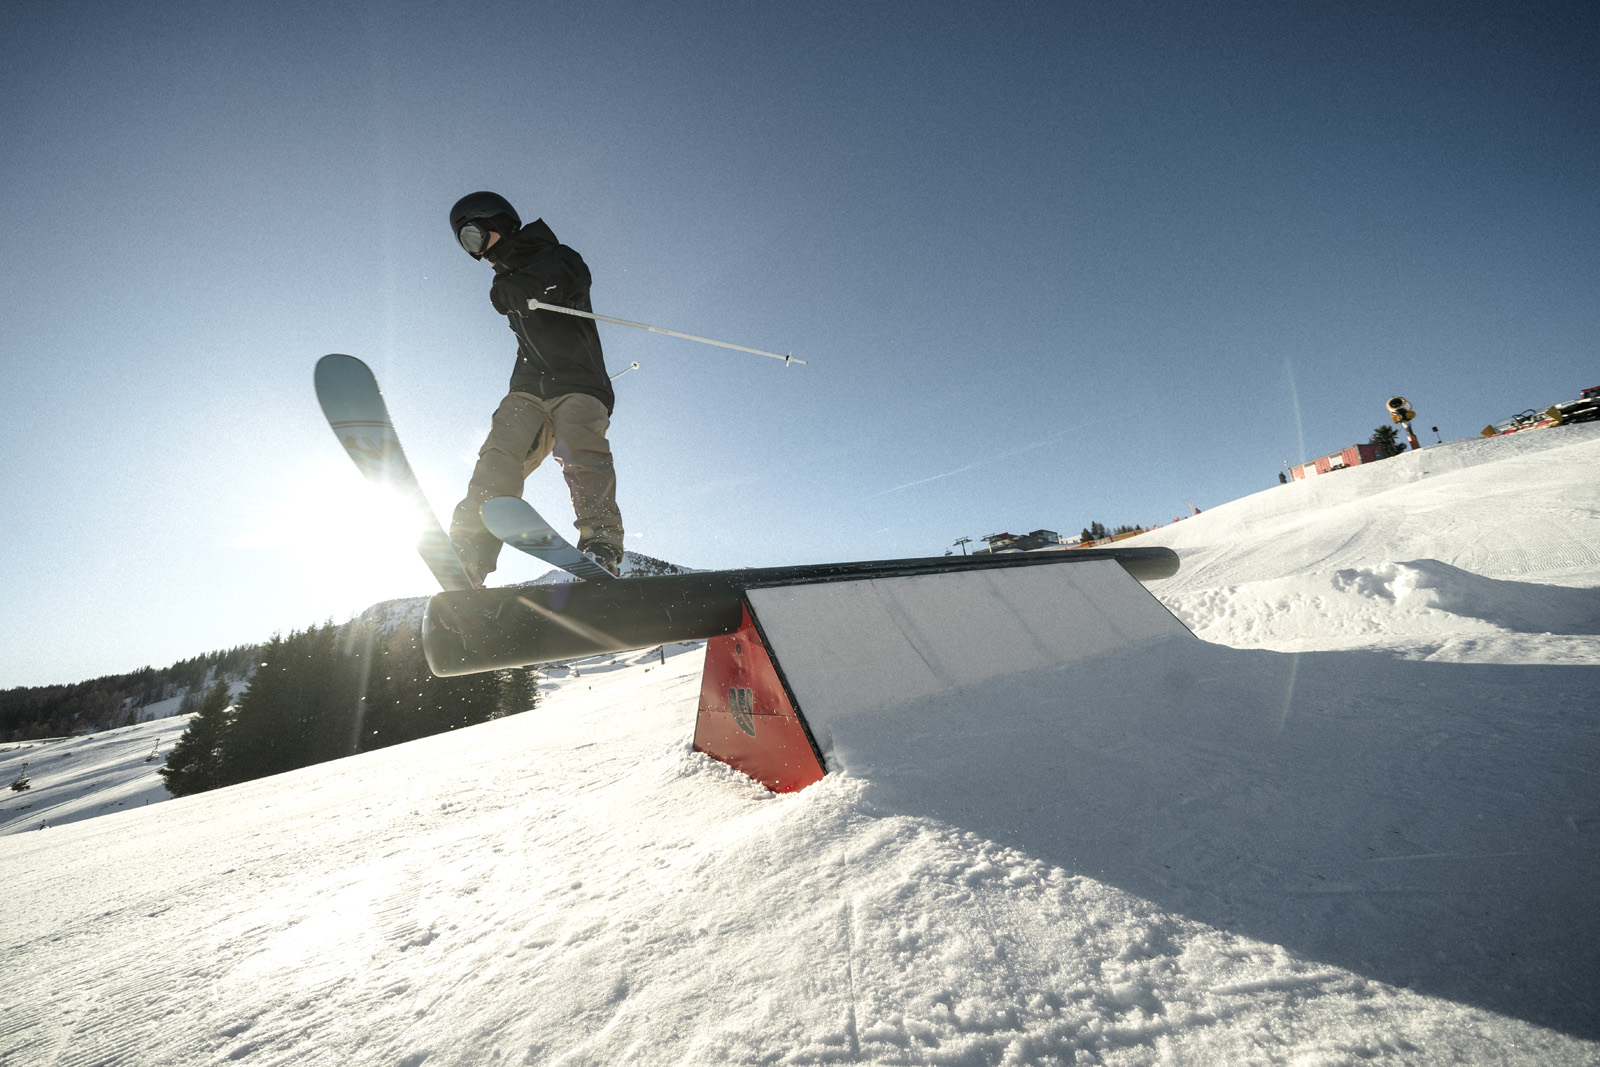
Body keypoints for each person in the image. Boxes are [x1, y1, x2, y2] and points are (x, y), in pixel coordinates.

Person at [446, 191, 624, 584]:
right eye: (466, 245)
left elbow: (571, 277)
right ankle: (471, 551)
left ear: (500, 224)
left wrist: (528, 288)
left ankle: (601, 544)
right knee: (499, 455)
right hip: (529, 387)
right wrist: (513, 287)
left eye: (475, 237)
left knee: (580, 448)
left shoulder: (556, 255)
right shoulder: (504, 279)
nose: (475, 252)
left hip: (579, 382)